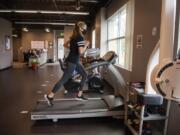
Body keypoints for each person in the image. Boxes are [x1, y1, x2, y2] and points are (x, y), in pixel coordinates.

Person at [44, 21, 89, 106]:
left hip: (75, 60)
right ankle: (50, 96)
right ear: (81, 28)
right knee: (64, 80)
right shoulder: (80, 37)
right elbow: (81, 52)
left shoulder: (73, 37)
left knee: (84, 74)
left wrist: (73, 48)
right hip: (72, 61)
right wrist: (86, 45)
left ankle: (79, 94)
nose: (85, 30)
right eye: (85, 28)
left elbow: (65, 45)